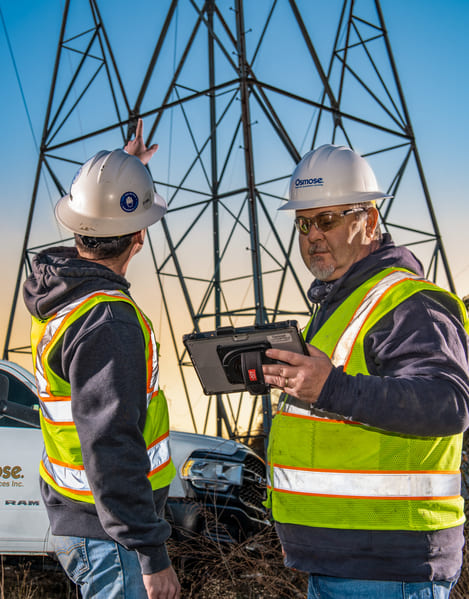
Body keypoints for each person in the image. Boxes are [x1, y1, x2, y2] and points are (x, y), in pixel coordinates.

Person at [262, 144, 469, 599]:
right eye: (303, 223)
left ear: (369, 221)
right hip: (341, 563)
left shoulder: (410, 303)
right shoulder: (340, 306)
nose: (313, 235)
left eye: (328, 220)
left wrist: (330, 387)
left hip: (387, 567)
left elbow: (447, 403)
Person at [23, 119, 181, 599]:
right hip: (111, 535)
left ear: (77, 229)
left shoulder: (61, 294)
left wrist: (120, 173)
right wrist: (151, 554)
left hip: (83, 520)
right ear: (140, 237)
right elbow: (111, 444)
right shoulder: (108, 321)